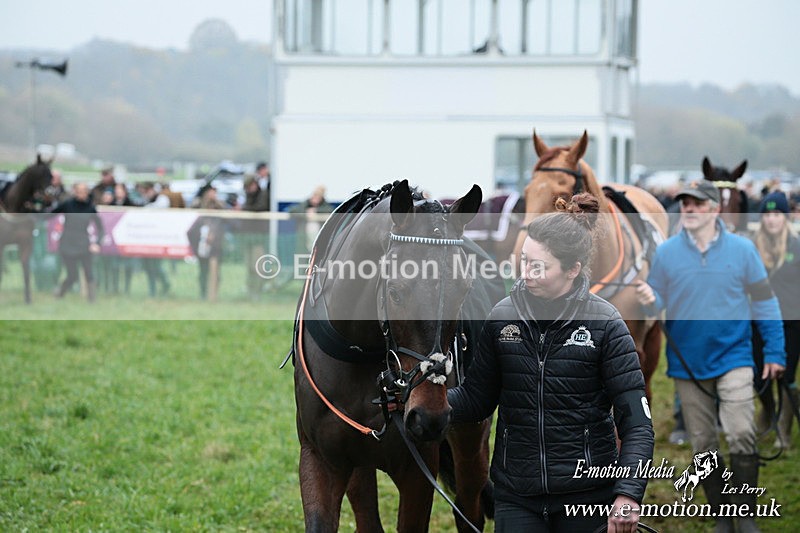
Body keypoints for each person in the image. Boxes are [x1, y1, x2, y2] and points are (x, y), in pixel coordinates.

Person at [448, 193, 654, 533]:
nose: (525, 272)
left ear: (572, 270)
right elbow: (476, 398)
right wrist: (427, 398)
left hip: (587, 497)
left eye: (537, 266)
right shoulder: (502, 319)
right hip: (516, 497)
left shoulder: (606, 324)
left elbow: (637, 425)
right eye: (524, 260)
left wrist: (629, 494)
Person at [636, 180, 786, 533]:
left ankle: (744, 515)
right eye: (684, 203)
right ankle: (722, 517)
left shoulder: (743, 250)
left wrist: (776, 351)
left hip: (735, 357)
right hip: (688, 364)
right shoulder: (668, 252)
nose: (688, 209)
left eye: (697, 204)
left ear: (714, 209)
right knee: (703, 444)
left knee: (740, 433)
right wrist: (649, 297)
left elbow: (765, 303)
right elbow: (657, 300)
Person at [752, 191, 799, 449]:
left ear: (785, 217)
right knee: (758, 376)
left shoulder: (796, 245)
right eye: (767, 215)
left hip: (791, 322)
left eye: (776, 215)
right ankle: (768, 410)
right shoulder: (753, 247)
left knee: (786, 375)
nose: (771, 220)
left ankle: (784, 428)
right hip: (757, 322)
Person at [52, 182, 104, 302]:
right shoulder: (67, 204)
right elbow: (50, 213)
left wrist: (97, 243)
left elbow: (100, 228)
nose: (81, 194)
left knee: (89, 273)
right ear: (75, 192)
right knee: (72, 275)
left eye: (84, 191)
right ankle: (60, 293)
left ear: (87, 192)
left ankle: (92, 301)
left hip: (84, 244)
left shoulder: (90, 208)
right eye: (79, 191)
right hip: (67, 244)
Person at [187, 185, 226, 300]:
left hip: (216, 247)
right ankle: (203, 294)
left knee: (215, 273)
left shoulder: (220, 208)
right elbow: (191, 231)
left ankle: (213, 294)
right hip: (202, 247)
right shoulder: (200, 208)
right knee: (203, 272)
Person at [241, 174, 271, 296]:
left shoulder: (263, 195)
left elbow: (260, 208)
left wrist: (244, 208)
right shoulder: (249, 196)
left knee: (257, 266)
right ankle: (250, 289)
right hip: (249, 237)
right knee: (249, 266)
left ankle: (258, 290)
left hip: (259, 237)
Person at [288, 185, 333, 253]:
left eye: (318, 197)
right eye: (315, 195)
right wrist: (306, 212)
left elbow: (330, 210)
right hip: (304, 236)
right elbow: (292, 210)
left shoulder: (325, 206)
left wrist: (316, 211)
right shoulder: (305, 204)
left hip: (319, 237)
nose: (316, 198)